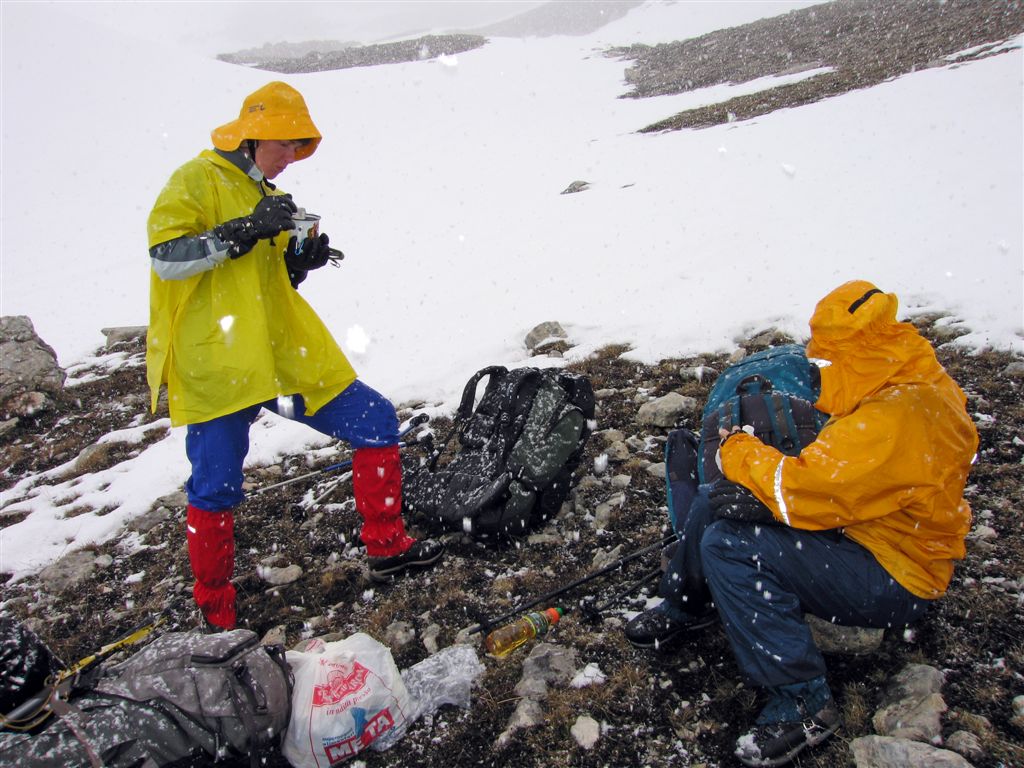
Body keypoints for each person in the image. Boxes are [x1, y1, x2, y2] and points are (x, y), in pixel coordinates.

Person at [624, 280, 978, 767]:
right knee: (712, 501)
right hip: (864, 525)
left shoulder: (899, 415)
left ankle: (802, 701)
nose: (819, 373)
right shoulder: (899, 373)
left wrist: (736, 448)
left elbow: (800, 487)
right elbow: (839, 480)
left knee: (733, 545)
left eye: (827, 362)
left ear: (853, 354)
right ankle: (685, 603)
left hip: (898, 572)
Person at [146, 81, 444, 631]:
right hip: (217, 362)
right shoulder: (196, 179)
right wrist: (239, 232)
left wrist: (301, 259)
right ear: (254, 135)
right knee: (215, 487)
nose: (291, 158)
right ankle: (218, 615)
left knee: (375, 420)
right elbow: (166, 256)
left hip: (282, 352)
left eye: (298, 147)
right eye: (285, 145)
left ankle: (387, 546)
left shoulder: (270, 196)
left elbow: (270, 278)